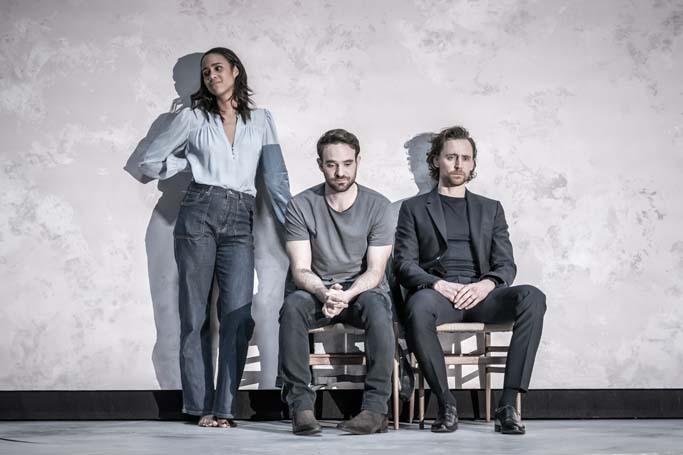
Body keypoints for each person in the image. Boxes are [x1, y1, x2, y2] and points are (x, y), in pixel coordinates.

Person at [139, 47, 290, 428]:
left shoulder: (262, 120)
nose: (211, 76)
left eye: (218, 68)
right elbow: (147, 163)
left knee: (238, 315)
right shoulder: (191, 119)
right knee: (194, 316)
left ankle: (224, 407)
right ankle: (199, 406)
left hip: (242, 215)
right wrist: (185, 161)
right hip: (198, 211)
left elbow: (274, 178)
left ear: (236, 71)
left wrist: (294, 226)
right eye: (206, 72)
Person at [394, 126, 546, 435]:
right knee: (418, 305)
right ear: (436, 161)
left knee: (533, 297)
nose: (459, 164)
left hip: (482, 295)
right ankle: (446, 403)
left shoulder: (490, 209)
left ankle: (507, 406)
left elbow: (506, 264)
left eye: (466, 158)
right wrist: (438, 285)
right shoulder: (413, 208)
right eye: (451, 157)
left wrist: (485, 285)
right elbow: (404, 264)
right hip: (440, 295)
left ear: (473, 163)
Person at [278, 129, 395, 435]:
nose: (340, 171)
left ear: (358, 161)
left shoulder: (379, 206)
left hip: (361, 291)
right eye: (331, 164)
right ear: (320, 164)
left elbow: (376, 271)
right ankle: (301, 408)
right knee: (292, 307)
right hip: (317, 291)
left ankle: (375, 410)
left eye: (347, 163)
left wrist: (348, 294)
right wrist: (324, 292)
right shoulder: (301, 205)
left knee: (380, 309)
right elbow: (300, 269)